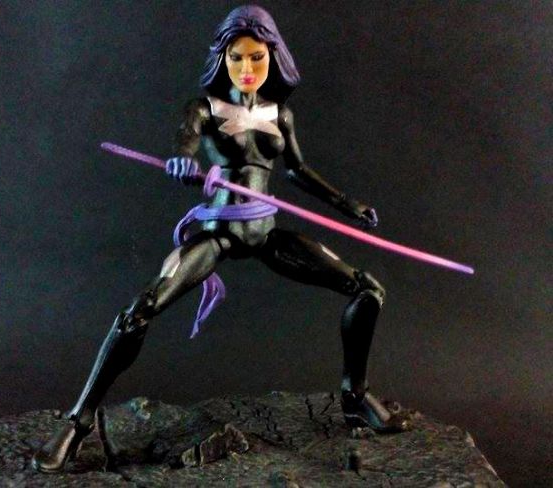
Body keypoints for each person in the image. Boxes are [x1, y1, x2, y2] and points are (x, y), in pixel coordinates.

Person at [33, 5, 407, 473]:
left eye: (257, 57)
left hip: (265, 234)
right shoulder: (205, 109)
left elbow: (297, 170)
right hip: (219, 234)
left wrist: (348, 204)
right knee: (139, 311)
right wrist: (183, 161)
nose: (247, 68)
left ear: (273, 57)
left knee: (367, 290)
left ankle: (355, 396)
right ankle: (77, 422)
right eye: (236, 58)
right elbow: (186, 142)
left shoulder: (280, 115)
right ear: (222, 59)